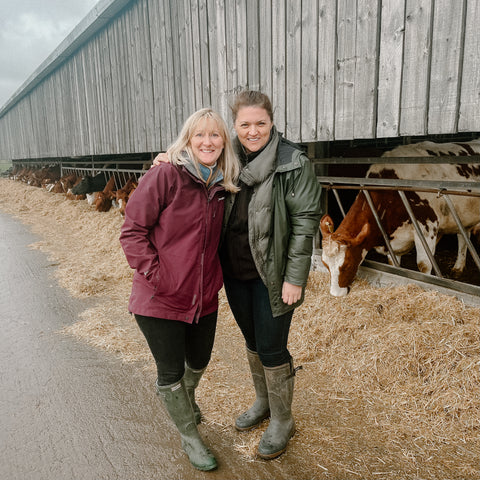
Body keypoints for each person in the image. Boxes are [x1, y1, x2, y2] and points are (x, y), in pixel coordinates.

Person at [154, 90, 322, 460]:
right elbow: (192, 163)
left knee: (273, 346)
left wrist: (296, 277)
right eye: (244, 124)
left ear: (272, 122)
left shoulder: (293, 162)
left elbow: (305, 222)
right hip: (234, 271)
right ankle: (263, 401)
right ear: (235, 127)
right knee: (252, 340)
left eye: (260, 123)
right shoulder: (228, 159)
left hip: (273, 274)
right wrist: (168, 158)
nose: (252, 131)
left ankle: (282, 419)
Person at [119, 108, 240, 472]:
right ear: (188, 139)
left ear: (223, 143)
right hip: (159, 299)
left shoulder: (222, 185)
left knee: (199, 360)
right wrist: (159, 277)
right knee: (170, 372)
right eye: (199, 135)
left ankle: (186, 400)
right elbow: (132, 232)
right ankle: (189, 435)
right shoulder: (165, 176)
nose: (207, 142)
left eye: (215, 135)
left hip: (203, 297)